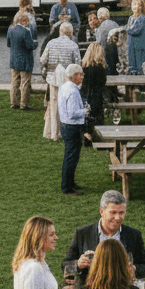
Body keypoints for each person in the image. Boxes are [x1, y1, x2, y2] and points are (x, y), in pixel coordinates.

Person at [63, 190, 145, 285]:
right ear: (101, 211)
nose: (117, 217)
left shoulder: (133, 235)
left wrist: (134, 269)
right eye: (113, 212)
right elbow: (65, 266)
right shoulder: (82, 233)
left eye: (121, 212)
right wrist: (78, 264)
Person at [41, 22, 81, 142]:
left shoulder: (51, 43)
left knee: (53, 105)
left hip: (53, 78)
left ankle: (53, 134)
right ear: (70, 33)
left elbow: (43, 60)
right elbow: (78, 64)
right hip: (68, 79)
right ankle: (65, 133)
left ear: (60, 32)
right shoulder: (73, 45)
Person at [59, 64, 86, 196]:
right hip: (71, 126)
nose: (82, 77)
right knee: (71, 157)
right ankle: (67, 187)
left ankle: (70, 182)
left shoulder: (65, 87)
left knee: (71, 156)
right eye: (80, 75)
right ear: (74, 76)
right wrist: (85, 111)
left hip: (65, 125)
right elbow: (73, 113)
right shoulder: (73, 91)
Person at [9, 10, 39, 110]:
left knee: (14, 82)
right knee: (25, 83)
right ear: (22, 21)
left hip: (14, 59)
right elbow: (30, 46)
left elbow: (8, 43)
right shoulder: (26, 32)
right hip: (25, 60)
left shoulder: (10, 29)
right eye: (27, 20)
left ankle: (14, 103)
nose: (28, 22)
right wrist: (35, 44)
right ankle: (24, 104)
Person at [80, 43, 107, 139]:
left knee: (86, 114)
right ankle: (96, 135)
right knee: (97, 116)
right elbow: (103, 82)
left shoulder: (84, 67)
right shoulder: (101, 68)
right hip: (97, 94)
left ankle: (86, 133)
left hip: (86, 93)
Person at [125, 0, 145, 74]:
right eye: (134, 4)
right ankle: (132, 72)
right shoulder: (131, 18)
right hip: (131, 44)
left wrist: (126, 29)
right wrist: (127, 29)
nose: (136, 7)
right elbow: (128, 27)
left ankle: (140, 73)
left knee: (140, 62)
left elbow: (136, 30)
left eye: (138, 5)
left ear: (141, 7)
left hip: (139, 44)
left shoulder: (143, 18)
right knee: (131, 61)